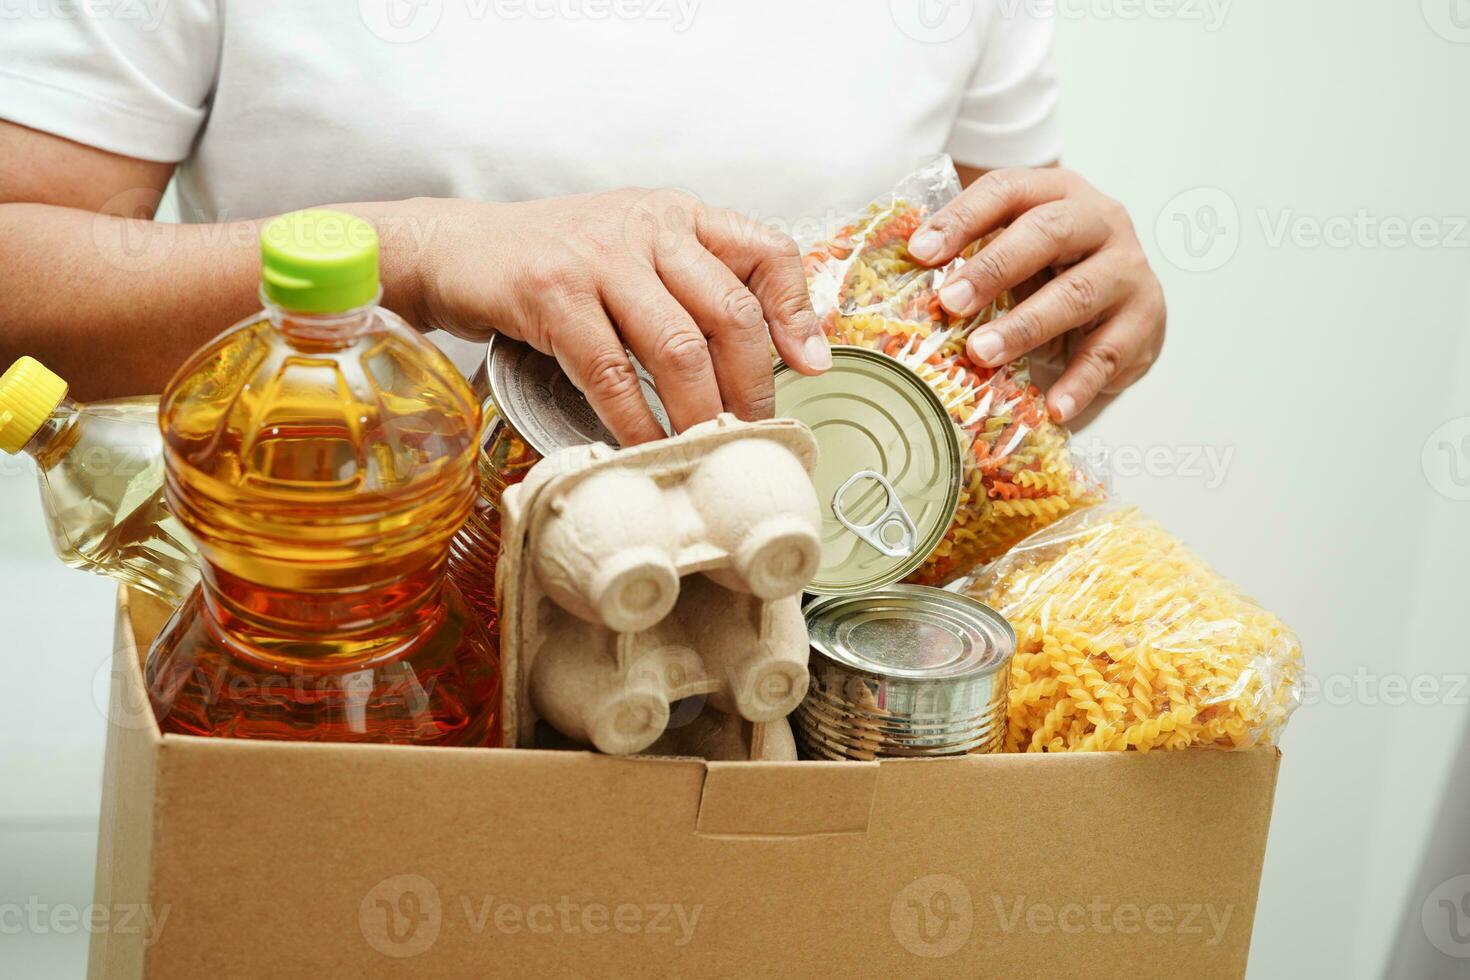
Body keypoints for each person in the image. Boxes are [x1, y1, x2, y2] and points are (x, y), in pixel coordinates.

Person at [0, 0, 1165, 443]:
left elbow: (982, 284)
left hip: (810, 700)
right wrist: (414, 254)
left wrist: (1074, 281)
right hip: (349, 661)